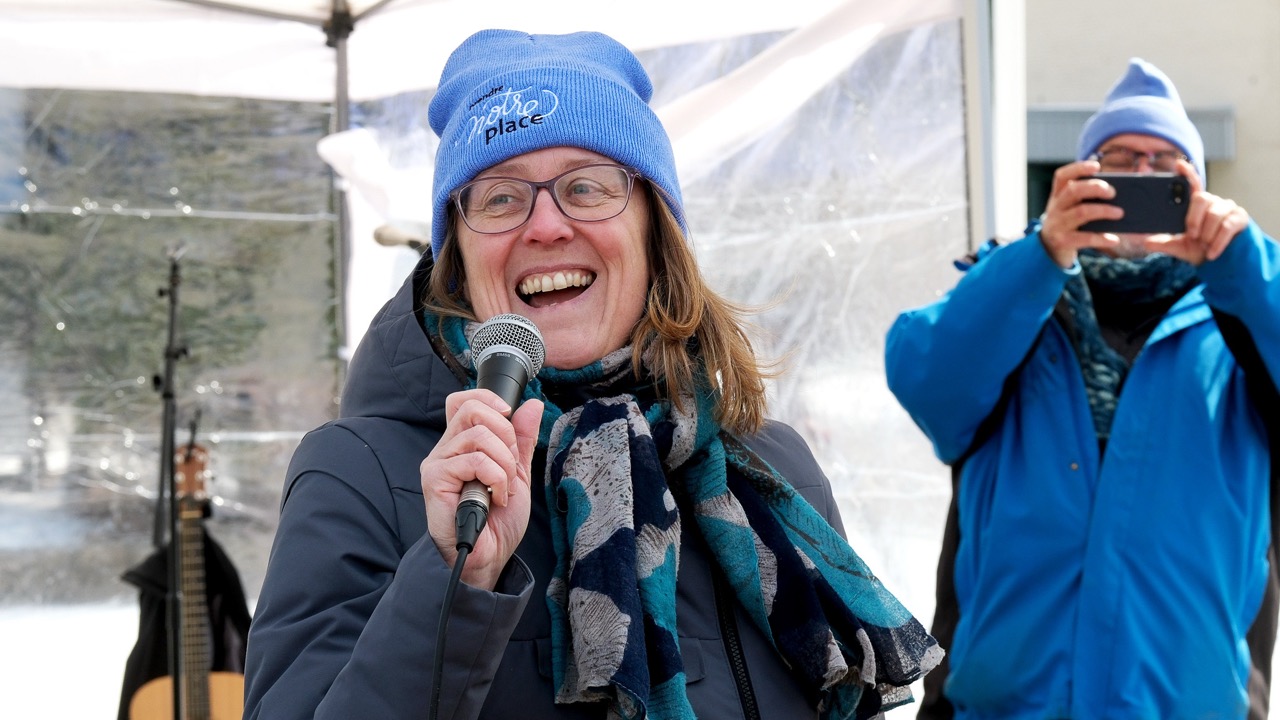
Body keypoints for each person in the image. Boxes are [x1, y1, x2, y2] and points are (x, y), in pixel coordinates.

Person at [243, 28, 941, 720]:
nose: (545, 225)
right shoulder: (359, 474)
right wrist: (454, 578)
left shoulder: (772, 468)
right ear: (457, 257)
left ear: (654, 232)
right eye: (500, 197)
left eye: (586, 187)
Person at [886, 57, 1280, 719]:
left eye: (1166, 166)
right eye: (1120, 160)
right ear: (1081, 177)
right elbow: (924, 378)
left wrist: (1242, 262)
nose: (1142, 175)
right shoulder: (1015, 288)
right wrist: (1041, 255)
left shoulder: (1241, 317)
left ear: (1197, 190)